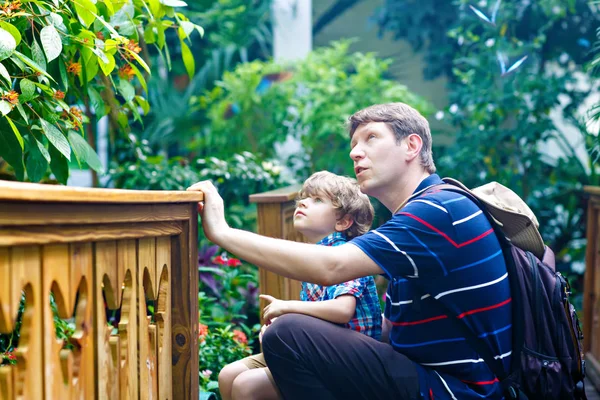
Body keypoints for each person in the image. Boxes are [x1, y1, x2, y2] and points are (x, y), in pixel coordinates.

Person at [188, 102, 512, 400]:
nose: (356, 152)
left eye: (371, 138)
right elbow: (388, 328)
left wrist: (222, 232)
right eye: (354, 145)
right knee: (254, 382)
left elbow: (331, 266)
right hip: (428, 374)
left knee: (287, 333)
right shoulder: (423, 211)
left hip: (455, 390)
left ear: (412, 146)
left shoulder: (437, 209)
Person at [217, 171, 382, 400]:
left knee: (247, 386)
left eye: (317, 200)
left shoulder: (345, 255)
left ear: (343, 221)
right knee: (228, 375)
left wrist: (288, 308)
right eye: (302, 198)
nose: (302, 202)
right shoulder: (316, 254)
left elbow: (342, 311)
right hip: (317, 348)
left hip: (346, 360)